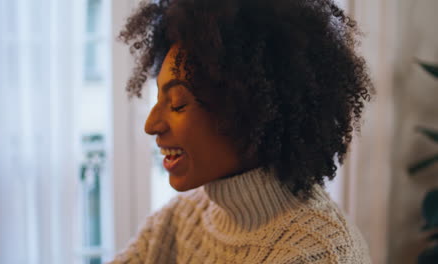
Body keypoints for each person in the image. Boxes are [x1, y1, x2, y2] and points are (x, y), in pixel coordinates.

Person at [110, 0, 374, 263]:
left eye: (177, 103)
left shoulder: (321, 254)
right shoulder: (184, 217)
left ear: (249, 110)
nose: (151, 124)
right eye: (158, 99)